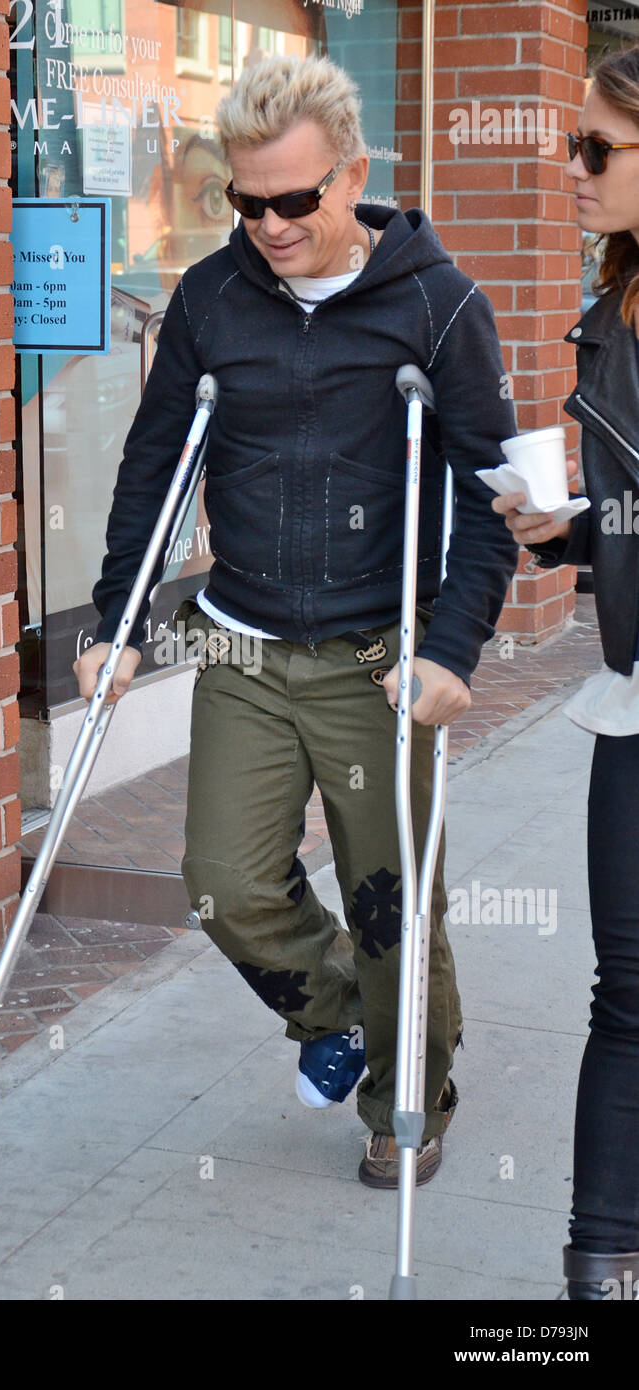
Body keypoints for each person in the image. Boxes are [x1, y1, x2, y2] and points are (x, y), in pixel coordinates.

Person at [76, 53, 518, 1188]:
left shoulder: (438, 305)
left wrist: (454, 649)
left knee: (390, 900)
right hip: (244, 639)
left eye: (292, 199)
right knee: (222, 877)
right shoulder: (212, 300)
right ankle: (348, 1019)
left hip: (384, 656)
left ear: (352, 175)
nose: (266, 224)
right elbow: (153, 467)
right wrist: (116, 620)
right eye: (244, 200)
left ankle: (405, 1098)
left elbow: (485, 500)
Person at [492, 45, 639, 1298]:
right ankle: (599, 1274)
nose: (574, 172)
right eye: (571, 147)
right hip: (637, 703)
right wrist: (572, 528)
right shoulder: (615, 312)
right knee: (628, 997)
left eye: (598, 150)